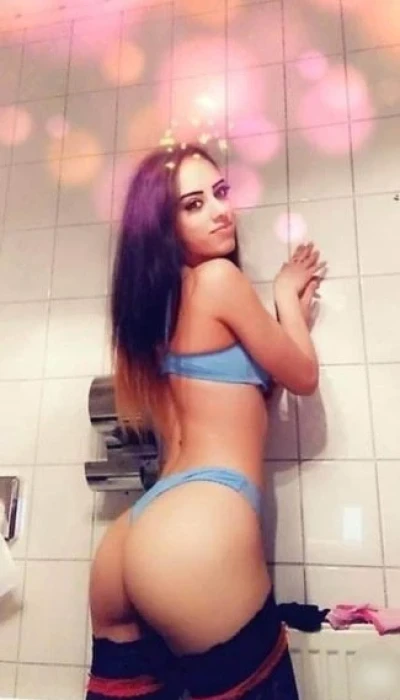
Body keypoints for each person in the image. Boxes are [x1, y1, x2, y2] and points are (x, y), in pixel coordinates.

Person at [86, 142, 326, 700]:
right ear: (163, 228)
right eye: (193, 204)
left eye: (220, 193)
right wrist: (285, 296)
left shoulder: (153, 313)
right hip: (197, 534)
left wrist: (278, 326)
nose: (220, 211)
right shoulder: (218, 280)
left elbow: (239, 400)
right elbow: (302, 375)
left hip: (132, 538)